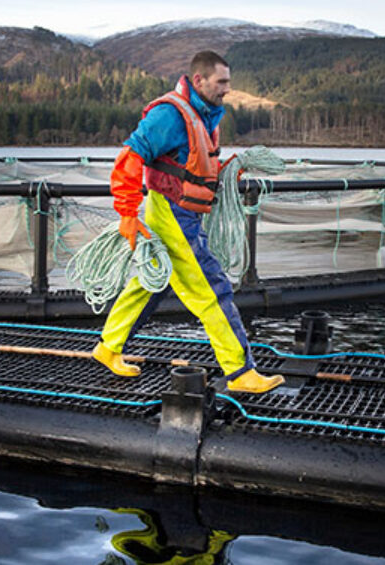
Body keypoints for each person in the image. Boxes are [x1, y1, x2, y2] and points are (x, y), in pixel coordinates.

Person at [91, 50, 283, 394]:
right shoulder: (171, 115)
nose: (227, 88)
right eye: (221, 81)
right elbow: (129, 157)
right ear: (199, 80)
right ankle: (240, 373)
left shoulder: (205, 115)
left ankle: (108, 347)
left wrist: (225, 174)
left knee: (151, 283)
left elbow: (191, 167)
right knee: (212, 289)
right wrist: (127, 214)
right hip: (172, 213)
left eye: (228, 81)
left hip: (181, 211)